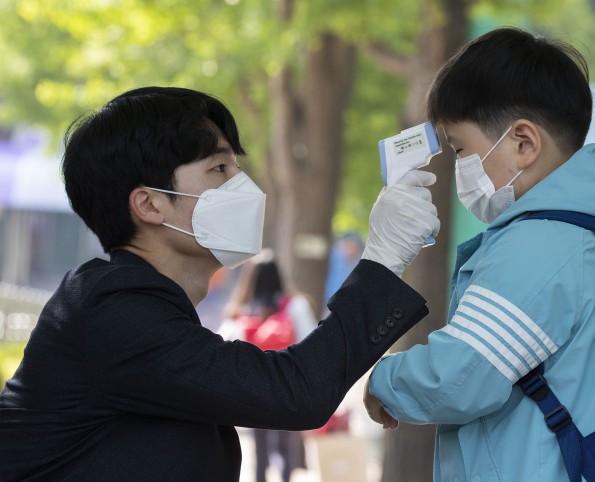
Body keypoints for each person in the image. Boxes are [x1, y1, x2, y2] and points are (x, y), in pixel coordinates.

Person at [0, 86, 440, 481]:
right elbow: (293, 392)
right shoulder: (108, 307)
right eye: (219, 169)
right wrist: (381, 261)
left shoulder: (143, 306)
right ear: (150, 203)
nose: (243, 185)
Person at [363, 27, 595, 481]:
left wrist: (384, 380)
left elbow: (459, 376)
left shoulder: (542, 243)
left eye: (462, 149)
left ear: (523, 143)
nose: (459, 167)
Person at [221, 249, 317, 482]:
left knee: (259, 452)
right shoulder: (296, 306)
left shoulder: (241, 313)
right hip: (289, 388)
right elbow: (311, 341)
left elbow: (223, 344)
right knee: (285, 448)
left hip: (255, 391)